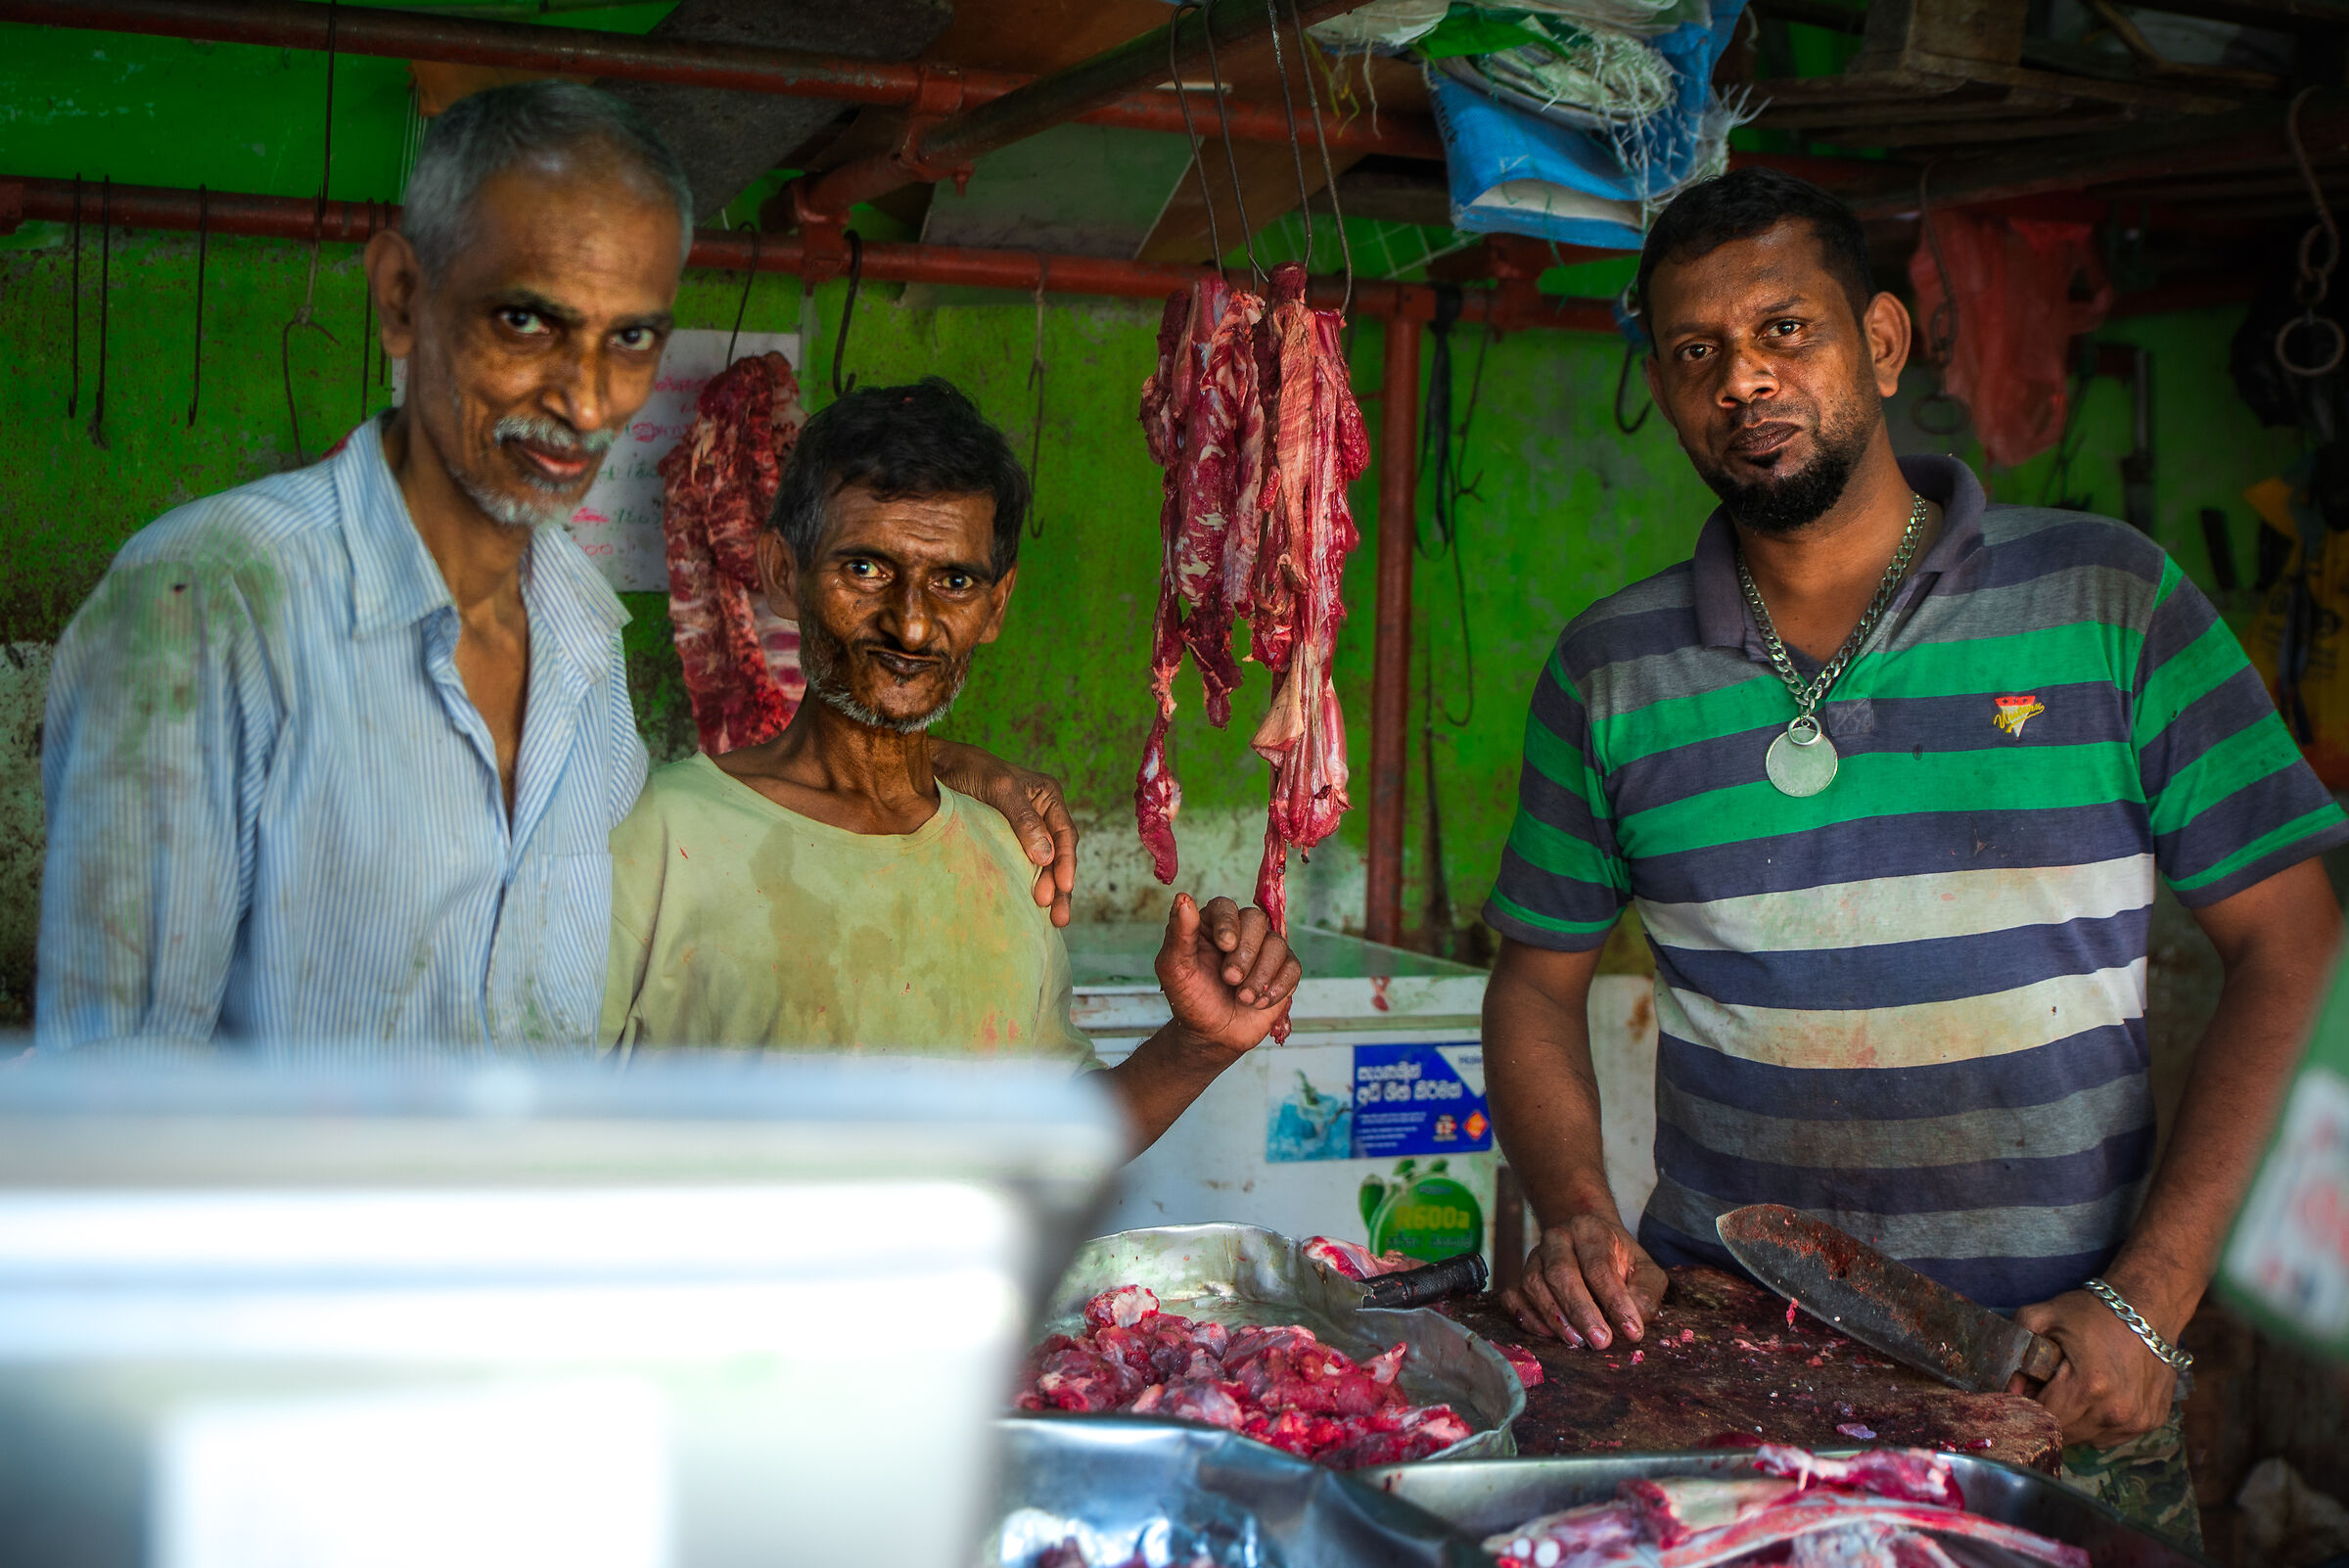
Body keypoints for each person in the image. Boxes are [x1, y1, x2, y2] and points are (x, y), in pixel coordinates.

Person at [1482, 166, 2346, 1542]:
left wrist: (2152, 1296)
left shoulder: (2111, 600)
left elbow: (2294, 942)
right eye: (1695, 353)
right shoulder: (1612, 671)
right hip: (1723, 1374)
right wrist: (1577, 1210)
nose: (1743, 383)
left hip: (2056, 1376)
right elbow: (1534, 983)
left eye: (1785, 331)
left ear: (1881, 343)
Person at [34, 83, 1077, 1051]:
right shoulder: (213, 599)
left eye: (629, 339)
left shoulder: (579, 642)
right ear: (401, 296)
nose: (584, 400)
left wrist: (943, 763)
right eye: (527, 321)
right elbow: (114, 1089)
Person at [601, 378, 1300, 1150]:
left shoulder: (1009, 851)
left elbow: (1047, 1145)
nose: (910, 622)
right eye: (865, 569)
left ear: (996, 607)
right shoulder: (655, 838)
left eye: (954, 581)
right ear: (780, 570)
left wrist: (1198, 1045)